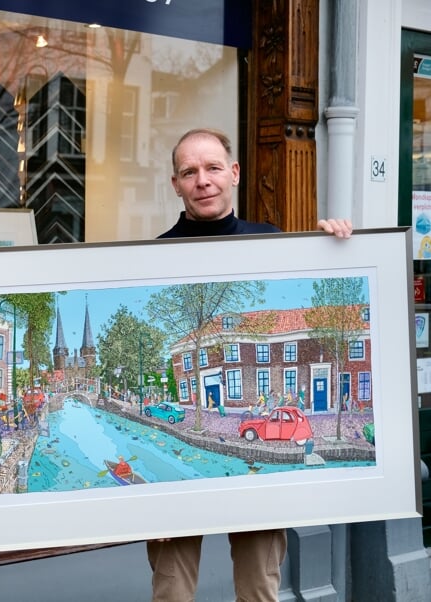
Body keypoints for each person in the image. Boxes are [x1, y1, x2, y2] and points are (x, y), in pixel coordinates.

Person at [148, 128, 352, 602]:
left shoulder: (275, 244)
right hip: (175, 491)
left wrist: (336, 250)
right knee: (172, 592)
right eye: (189, 172)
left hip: (258, 493)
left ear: (234, 173)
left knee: (260, 589)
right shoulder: (153, 258)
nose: (203, 180)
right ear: (176, 184)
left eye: (213, 167)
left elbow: (320, 289)